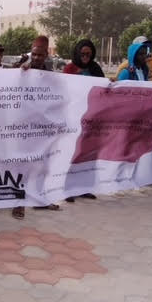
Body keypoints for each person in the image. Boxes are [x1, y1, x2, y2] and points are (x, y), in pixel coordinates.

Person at [19, 37, 61, 214]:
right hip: (23, 126)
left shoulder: (49, 72)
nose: (36, 58)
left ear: (46, 54)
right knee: (23, 165)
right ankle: (18, 202)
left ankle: (39, 199)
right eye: (34, 54)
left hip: (43, 126)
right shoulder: (21, 67)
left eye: (40, 55)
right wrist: (21, 68)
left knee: (43, 164)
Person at [62, 39, 102, 201]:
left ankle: (84, 187)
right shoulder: (69, 68)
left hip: (92, 117)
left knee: (89, 154)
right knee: (73, 154)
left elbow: (102, 89)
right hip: (74, 117)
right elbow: (65, 90)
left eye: (88, 54)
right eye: (83, 54)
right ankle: (67, 189)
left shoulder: (95, 68)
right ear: (77, 53)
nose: (85, 57)